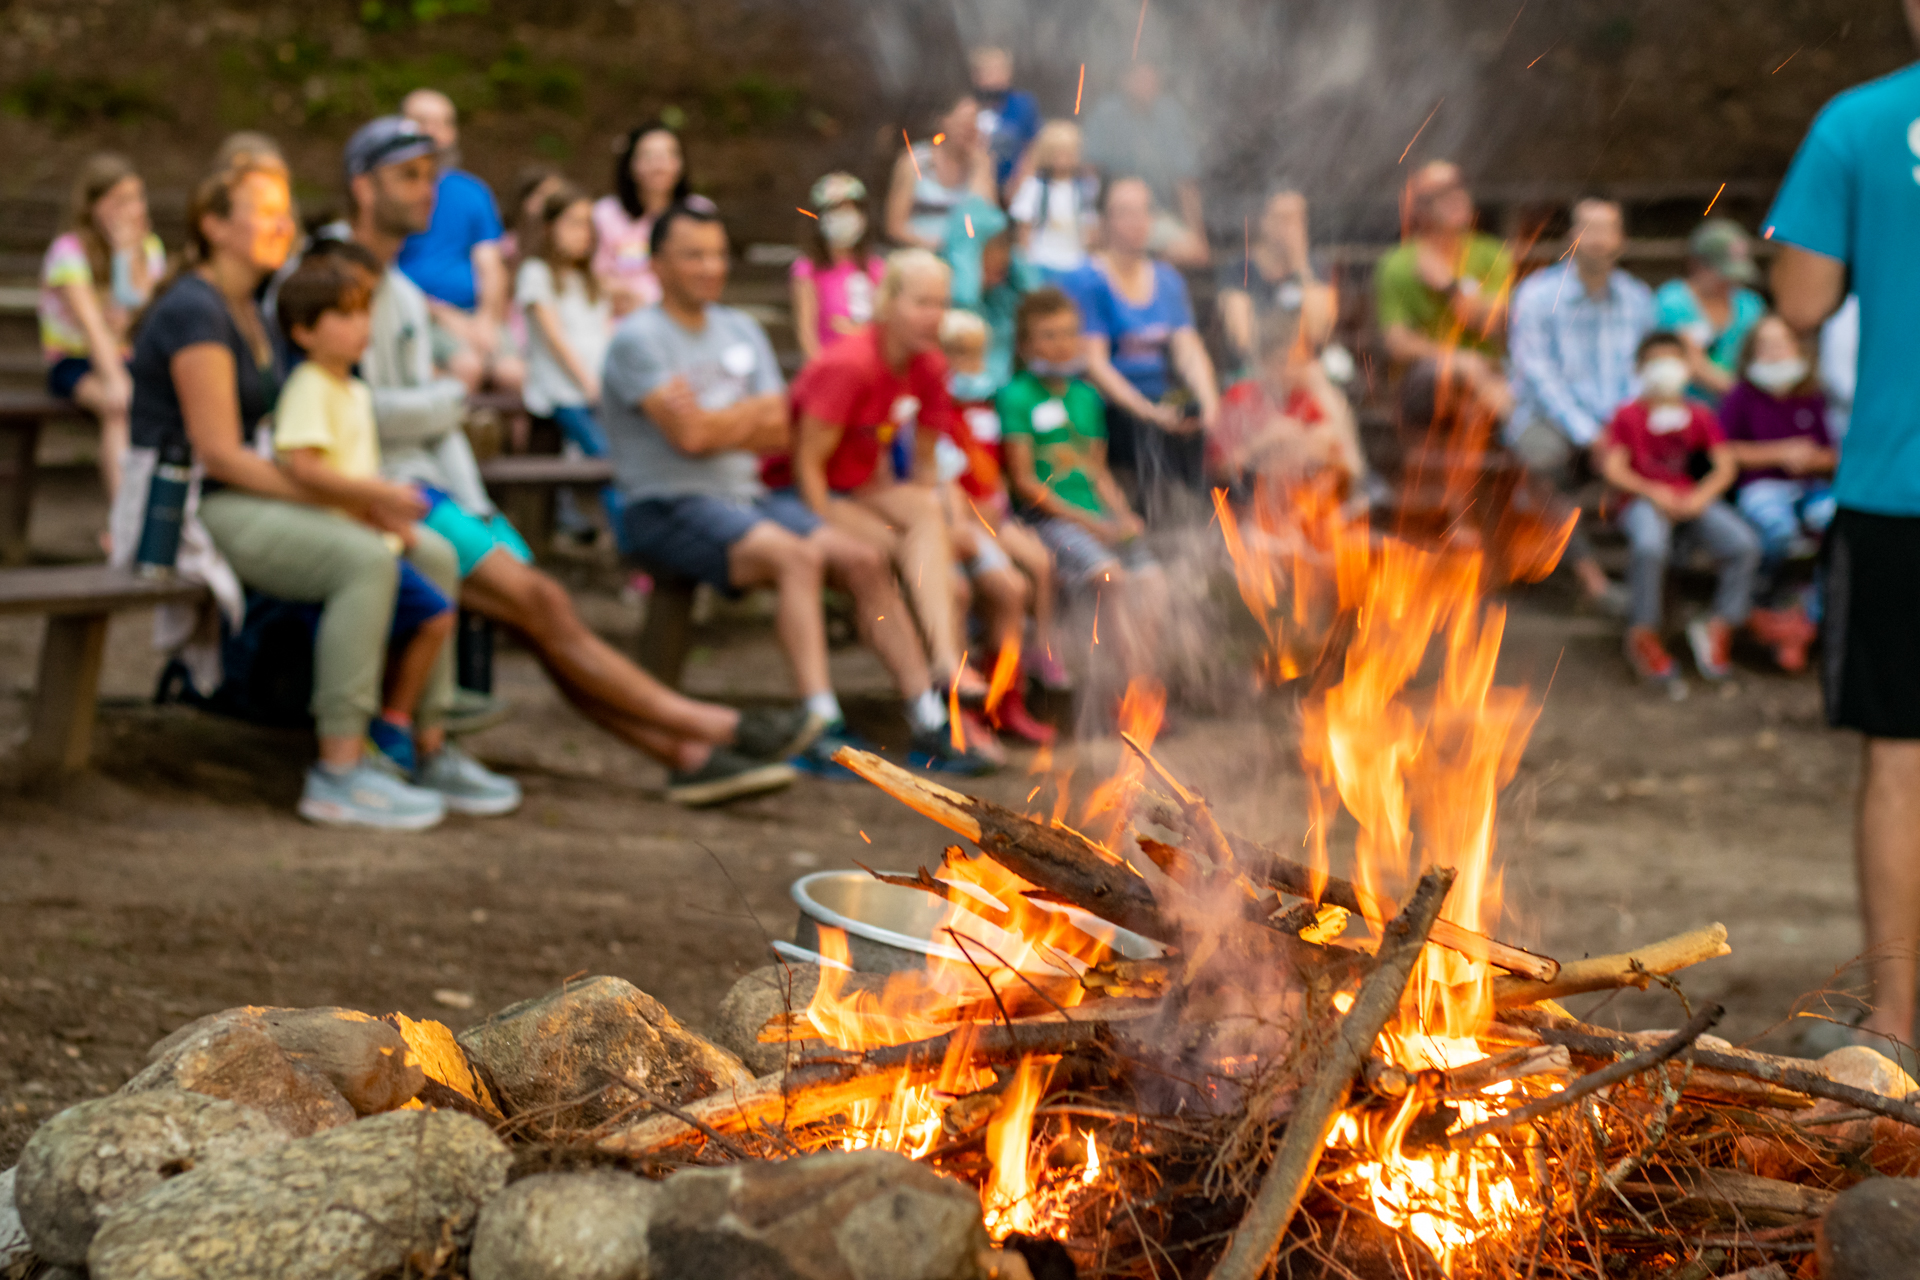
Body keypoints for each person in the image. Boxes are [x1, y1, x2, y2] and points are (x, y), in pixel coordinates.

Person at [340, 116, 812, 806]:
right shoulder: (340, 279)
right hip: (391, 493)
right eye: (407, 176)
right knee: (544, 603)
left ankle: (686, 753)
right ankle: (722, 727)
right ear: (361, 186)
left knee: (540, 614)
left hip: (446, 491)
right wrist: (451, 396)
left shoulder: (405, 289)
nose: (427, 192)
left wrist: (469, 478)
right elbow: (356, 411)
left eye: (430, 175)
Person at [117, 152, 463, 830]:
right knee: (362, 559)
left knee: (433, 555)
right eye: (266, 212)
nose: (283, 225)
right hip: (184, 506)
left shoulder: (258, 308)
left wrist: (357, 500)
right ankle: (337, 767)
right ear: (215, 226)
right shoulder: (196, 309)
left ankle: (425, 746)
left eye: (286, 213)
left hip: (252, 493)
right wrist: (348, 502)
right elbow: (217, 453)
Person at [604, 208, 992, 777]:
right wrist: (738, 419)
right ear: (657, 265)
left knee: (863, 558)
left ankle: (929, 717)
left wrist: (717, 420)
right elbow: (688, 438)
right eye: (693, 255)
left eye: (717, 254)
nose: (710, 267)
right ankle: (820, 724)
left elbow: (777, 425)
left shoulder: (740, 329)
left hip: (747, 498)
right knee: (798, 557)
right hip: (667, 502)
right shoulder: (639, 339)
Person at [1766, 7, 1920, 1055]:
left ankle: (1898, 1023)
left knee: (1902, 763)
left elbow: (1804, 298)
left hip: (1898, 488)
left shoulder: (1858, 123)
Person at [272, 255, 514, 810]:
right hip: (337, 542)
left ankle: (410, 733)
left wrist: (383, 514)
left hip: (370, 531)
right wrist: (379, 499)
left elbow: (354, 470)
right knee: (432, 614)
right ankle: (376, 742)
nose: (363, 328)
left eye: (365, 314)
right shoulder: (310, 387)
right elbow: (304, 468)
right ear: (304, 332)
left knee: (437, 592)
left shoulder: (354, 392)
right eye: (345, 316)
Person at [775, 249, 1003, 768]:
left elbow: (924, 469)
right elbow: (805, 466)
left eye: (942, 304)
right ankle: (928, 713)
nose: (935, 315)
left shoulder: (927, 365)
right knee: (884, 557)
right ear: (887, 302)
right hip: (799, 492)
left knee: (927, 518)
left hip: (862, 487)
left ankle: (947, 664)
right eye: (921, 302)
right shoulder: (849, 364)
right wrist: (831, 529)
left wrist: (944, 538)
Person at [999, 287, 1164, 683]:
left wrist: (1123, 516)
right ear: (1025, 344)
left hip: (1096, 514)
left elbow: (1097, 471)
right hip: (1049, 520)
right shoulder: (1015, 396)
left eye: (1069, 333)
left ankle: (1144, 676)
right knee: (1111, 577)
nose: (1061, 344)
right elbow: (1024, 481)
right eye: (1048, 335)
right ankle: (1130, 686)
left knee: (1154, 583)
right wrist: (1093, 525)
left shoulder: (1086, 397)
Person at [1505, 197, 1653, 613]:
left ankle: (1651, 591)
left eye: (1607, 228)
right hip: (1548, 417)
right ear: (1572, 237)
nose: (1597, 239)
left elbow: (1643, 369)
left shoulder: (1637, 299)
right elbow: (1536, 374)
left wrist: (1621, 428)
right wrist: (1590, 434)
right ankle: (1591, 578)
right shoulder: (1535, 296)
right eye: (1588, 228)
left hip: (1616, 419)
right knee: (1540, 462)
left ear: (1621, 239)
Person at [1594, 331, 1760, 686]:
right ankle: (1643, 633)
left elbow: (1724, 465)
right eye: (1656, 361)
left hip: (1689, 499)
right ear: (1639, 368)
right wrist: (1651, 492)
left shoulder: (1698, 415)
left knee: (1743, 544)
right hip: (1642, 502)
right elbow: (1614, 469)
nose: (1665, 369)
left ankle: (1719, 626)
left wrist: (1701, 496)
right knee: (1650, 547)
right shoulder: (1628, 416)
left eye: (1673, 360)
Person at [935, 307, 1059, 742]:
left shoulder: (986, 406)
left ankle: (1010, 696)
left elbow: (996, 471)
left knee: (1034, 568)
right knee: (1002, 589)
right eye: (957, 352)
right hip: (954, 522)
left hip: (993, 517)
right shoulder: (936, 410)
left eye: (975, 352)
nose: (967, 362)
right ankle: (968, 704)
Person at [1067, 177, 1221, 525]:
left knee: (1210, 428)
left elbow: (1188, 349)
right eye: (1124, 212)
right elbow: (1095, 364)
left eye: (1142, 212)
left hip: (1162, 398)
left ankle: (1228, 539)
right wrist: (1148, 413)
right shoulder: (1087, 280)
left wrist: (1210, 404)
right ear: (1104, 221)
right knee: (1154, 439)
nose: (1135, 222)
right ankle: (1157, 532)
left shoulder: (1168, 279)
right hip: (1111, 404)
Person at [39, 153, 166, 508]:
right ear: (94, 205)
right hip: (76, 360)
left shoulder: (148, 247)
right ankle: (123, 517)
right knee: (119, 406)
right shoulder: (69, 251)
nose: (133, 209)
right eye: (120, 200)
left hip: (130, 355)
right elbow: (93, 326)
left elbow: (148, 315)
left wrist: (127, 255)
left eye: (137, 198)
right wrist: (114, 380)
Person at [1718, 314, 1836, 672]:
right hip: (1762, 487)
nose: (1775, 352)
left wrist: (1811, 459)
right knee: (1777, 530)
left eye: (1782, 342)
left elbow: (1832, 454)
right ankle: (1765, 599)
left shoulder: (1812, 396)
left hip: (1811, 488)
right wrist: (1779, 453)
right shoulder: (1741, 397)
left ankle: (1813, 612)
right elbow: (1723, 450)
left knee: (1835, 524)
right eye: (1765, 344)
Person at [395, 89, 521, 394]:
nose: (433, 132)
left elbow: (491, 265)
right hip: (416, 315)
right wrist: (443, 315)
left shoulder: (472, 192)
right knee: (467, 367)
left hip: (473, 315)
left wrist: (487, 321)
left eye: (442, 123)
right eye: (422, 121)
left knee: (515, 374)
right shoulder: (393, 193)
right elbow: (388, 273)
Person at [1375, 161, 1514, 429]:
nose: (1455, 197)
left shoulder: (1492, 254)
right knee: (1462, 378)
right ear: (1420, 207)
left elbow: (1496, 324)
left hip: (1491, 375)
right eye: (1440, 193)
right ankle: (1527, 435)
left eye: (1458, 187)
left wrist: (1451, 287)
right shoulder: (1398, 264)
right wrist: (1458, 361)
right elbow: (1397, 343)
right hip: (1424, 383)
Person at [1210, 312, 1364, 502]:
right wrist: (1265, 440)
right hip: (1246, 507)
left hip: (1301, 506)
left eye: (1300, 360)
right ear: (1265, 363)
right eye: (1287, 361)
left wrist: (1303, 439)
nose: (1296, 369)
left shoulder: (1306, 399)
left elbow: (1347, 464)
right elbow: (1220, 470)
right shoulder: (1239, 398)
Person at [516, 182, 613, 465]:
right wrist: (589, 385)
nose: (583, 233)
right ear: (550, 227)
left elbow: (605, 335)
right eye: (573, 223)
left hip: (598, 388)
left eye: (587, 224)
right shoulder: (536, 273)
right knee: (603, 455)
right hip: (562, 392)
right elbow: (555, 339)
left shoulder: (591, 281)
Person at [1079, 61, 1208, 267]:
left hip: (1156, 218)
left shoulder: (1171, 116)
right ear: (1125, 81)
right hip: (1113, 220)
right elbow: (1089, 173)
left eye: (1150, 78)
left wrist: (1198, 234)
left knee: (1190, 250)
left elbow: (1186, 182)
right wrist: (1092, 220)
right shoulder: (1106, 114)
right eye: (1139, 78)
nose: (1145, 84)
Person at [1216, 187, 1337, 371]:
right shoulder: (1239, 270)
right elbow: (1242, 340)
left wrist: (1301, 267)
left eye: (1298, 219)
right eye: (1284, 219)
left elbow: (1320, 335)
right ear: (1264, 221)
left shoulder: (1314, 268)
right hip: (1255, 373)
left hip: (1304, 372)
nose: (1292, 228)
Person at [1653, 219, 1767, 402]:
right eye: (1722, 273)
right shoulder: (1671, 301)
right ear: (1696, 264)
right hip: (1686, 413)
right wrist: (1749, 397)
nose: (1729, 281)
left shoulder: (1751, 305)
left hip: (1738, 415)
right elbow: (1690, 362)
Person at [594, 120, 693, 316]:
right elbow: (594, 274)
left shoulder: (697, 211)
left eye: (668, 155)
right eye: (649, 156)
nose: (659, 165)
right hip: (625, 321)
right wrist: (624, 293)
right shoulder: (606, 214)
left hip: (684, 318)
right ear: (630, 164)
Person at [789, 172, 885, 362]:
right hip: (829, 366)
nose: (844, 217)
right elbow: (806, 333)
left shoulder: (876, 268)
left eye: (850, 210)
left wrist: (857, 331)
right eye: (836, 210)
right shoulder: (808, 269)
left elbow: (883, 323)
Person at [884, 93, 996, 254]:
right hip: (921, 259)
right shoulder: (915, 161)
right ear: (944, 121)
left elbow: (986, 221)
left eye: (972, 127)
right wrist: (940, 247)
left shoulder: (977, 166)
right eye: (962, 124)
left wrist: (981, 166)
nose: (967, 131)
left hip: (965, 260)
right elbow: (895, 227)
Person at [1007, 120, 1098, 278]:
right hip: (1041, 261)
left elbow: (1088, 227)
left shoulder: (1083, 191)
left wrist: (1088, 254)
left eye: (1068, 152)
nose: (1063, 158)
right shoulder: (1033, 188)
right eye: (1058, 152)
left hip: (1075, 262)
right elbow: (1024, 228)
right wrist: (1025, 261)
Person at [969, 45, 1041, 194]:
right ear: (974, 75)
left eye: (999, 71)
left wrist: (1020, 183)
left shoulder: (1022, 105)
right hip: (973, 186)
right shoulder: (967, 106)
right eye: (987, 71)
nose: (994, 77)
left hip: (1012, 188)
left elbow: (1032, 148)